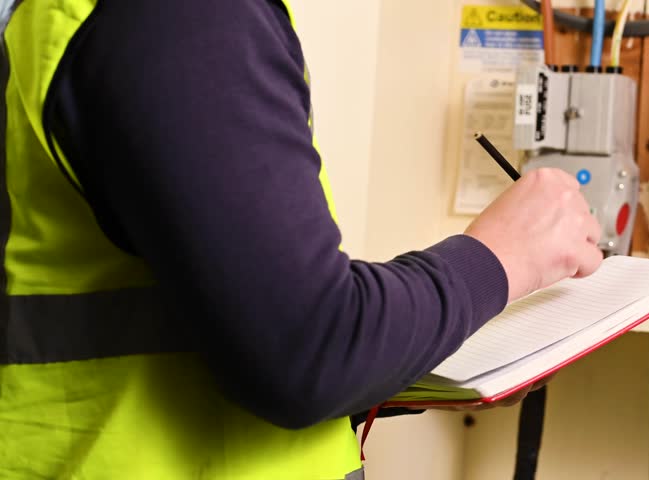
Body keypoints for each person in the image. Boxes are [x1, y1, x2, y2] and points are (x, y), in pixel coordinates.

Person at [0, 0, 602, 478]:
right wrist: (500, 258)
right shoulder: (181, 16)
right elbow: (308, 349)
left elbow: (244, 320)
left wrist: (402, 344)